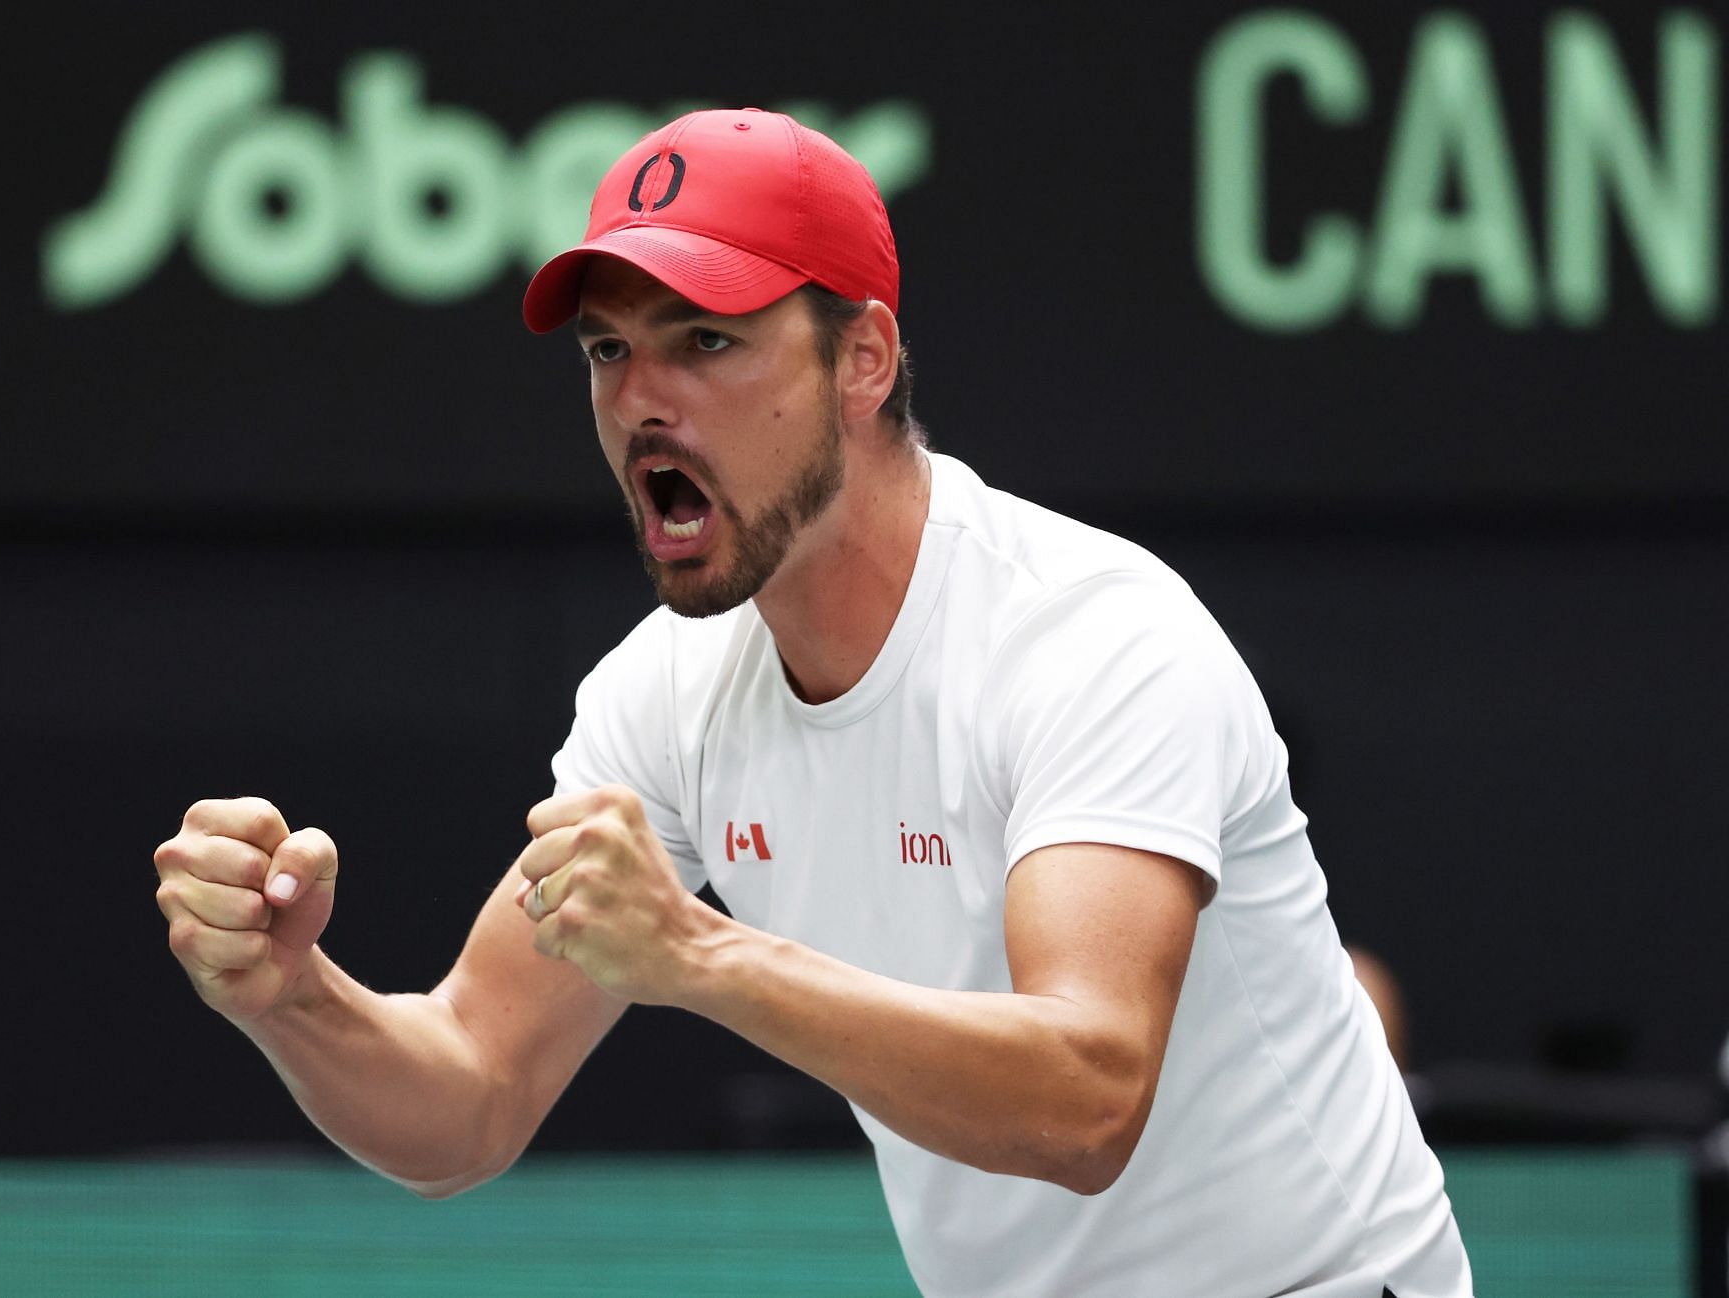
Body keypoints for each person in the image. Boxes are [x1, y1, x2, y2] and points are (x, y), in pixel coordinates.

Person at [154, 108, 1472, 1297]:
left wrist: (699, 954)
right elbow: (472, 1098)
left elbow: (1086, 1096)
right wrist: (289, 993)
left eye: (708, 340)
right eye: (611, 350)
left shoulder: (1092, 635)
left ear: (866, 360)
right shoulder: (660, 703)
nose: (641, 400)